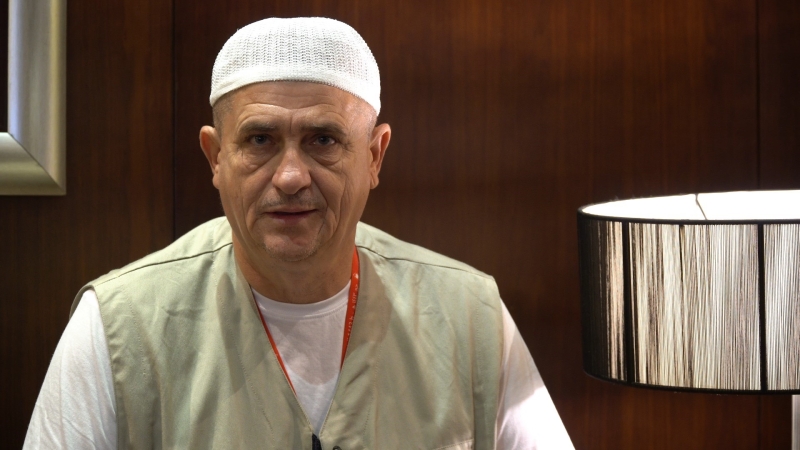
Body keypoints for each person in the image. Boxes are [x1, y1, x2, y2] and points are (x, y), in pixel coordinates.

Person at [24, 17, 573, 449]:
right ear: (216, 157)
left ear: (374, 156)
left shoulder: (470, 317)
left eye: (323, 140)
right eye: (260, 140)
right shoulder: (121, 328)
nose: (290, 177)